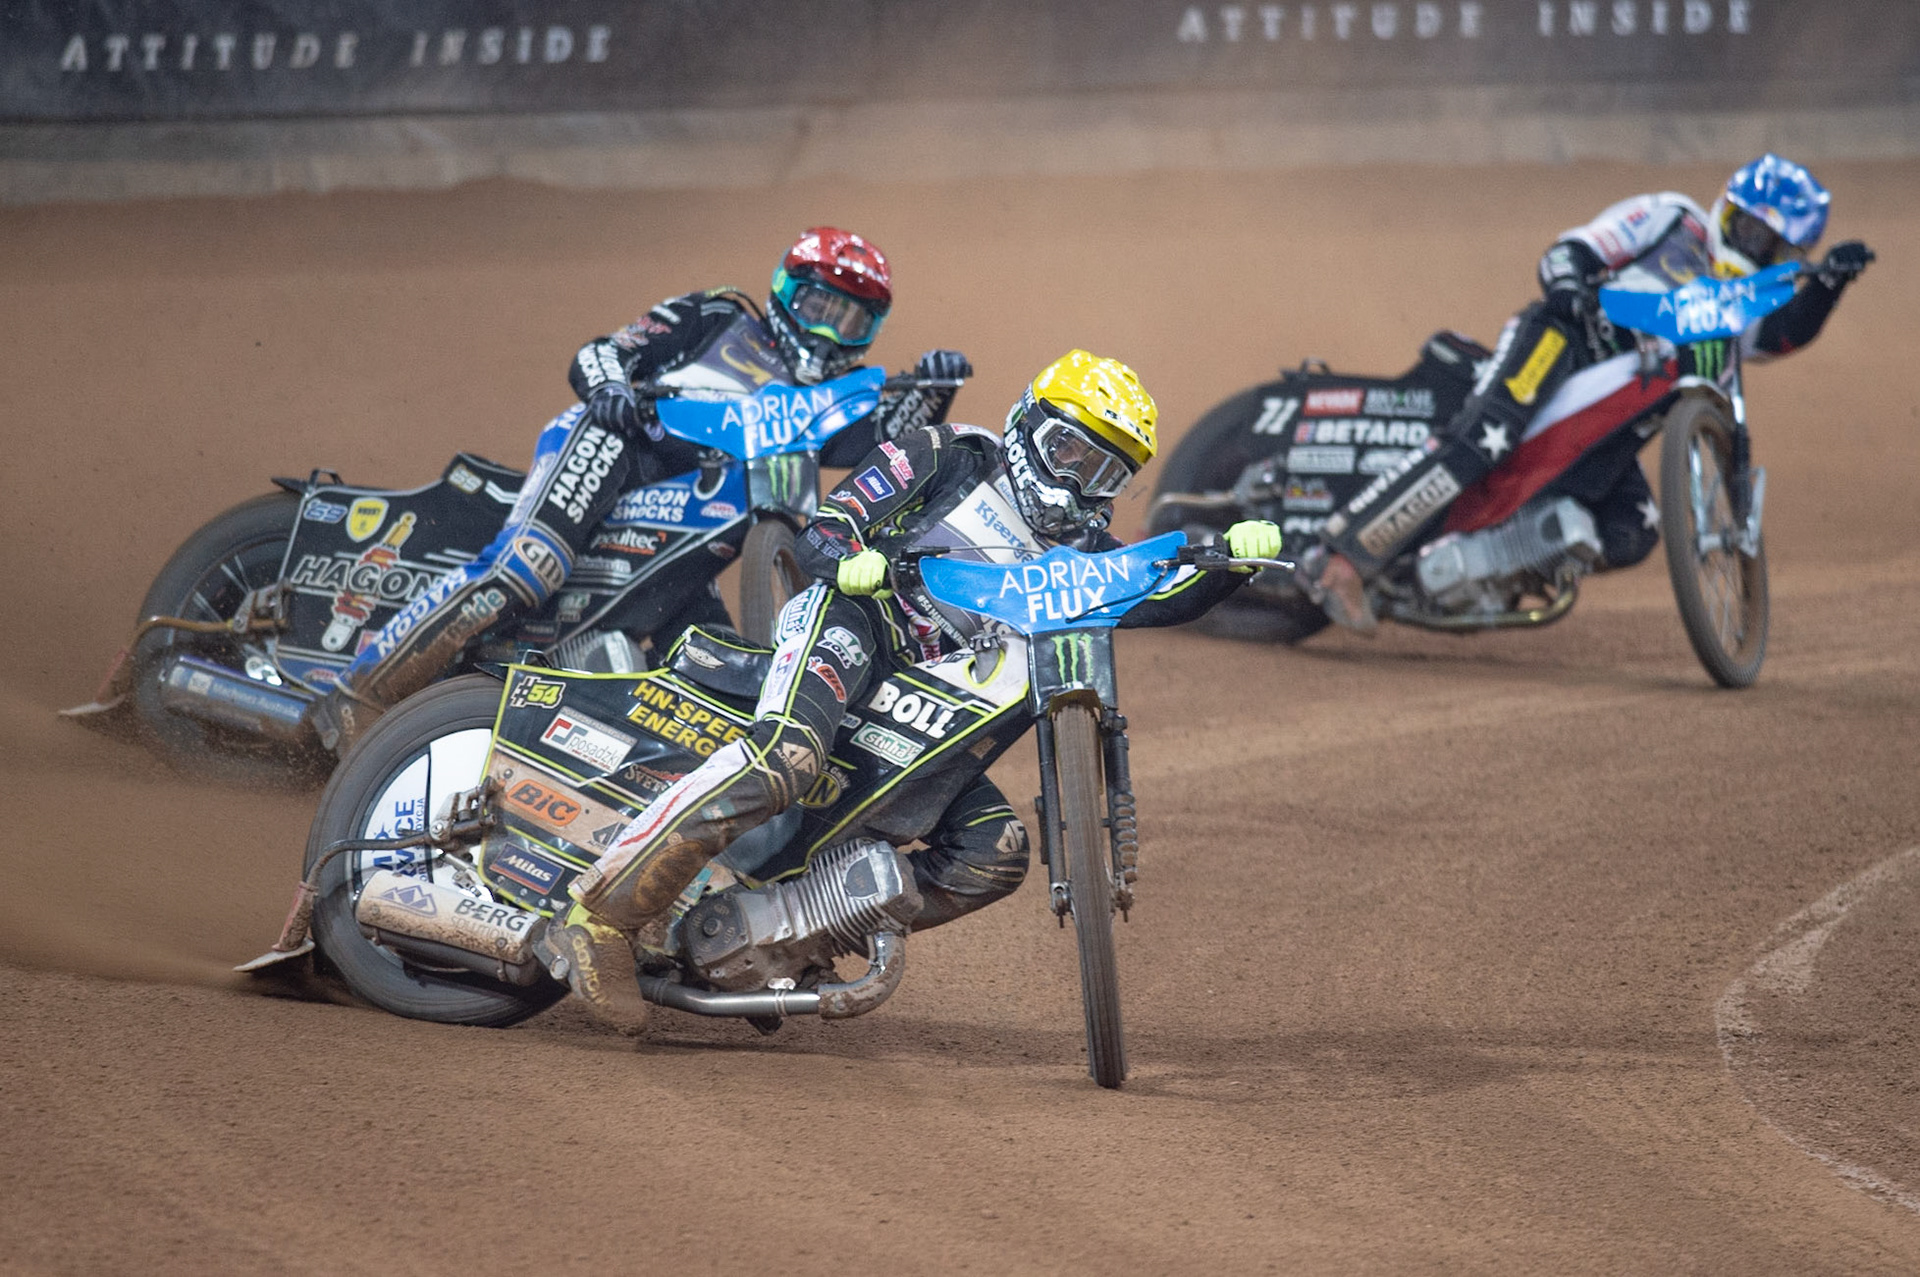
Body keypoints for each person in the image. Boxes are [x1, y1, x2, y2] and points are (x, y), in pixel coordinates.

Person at [537, 350, 1284, 1031]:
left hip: (931, 703)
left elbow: (1158, 596)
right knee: (786, 756)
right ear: (1028, 424)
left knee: (995, 851)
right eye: (1070, 453)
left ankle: (789, 933)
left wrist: (1230, 567)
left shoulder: (1085, 557)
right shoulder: (948, 453)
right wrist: (850, 560)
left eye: (1106, 473)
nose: (1080, 484)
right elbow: (829, 526)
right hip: (856, 624)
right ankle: (598, 916)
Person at [310, 226, 970, 752]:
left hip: (691, 522)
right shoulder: (719, 315)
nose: (829, 328)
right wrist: (612, 392)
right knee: (528, 568)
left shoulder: (813, 405)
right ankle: (355, 695)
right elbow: (606, 349)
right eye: (820, 304)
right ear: (783, 290)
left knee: (706, 671)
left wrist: (931, 395)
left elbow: (876, 453)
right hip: (616, 445)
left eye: (853, 319)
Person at [1300, 153, 1876, 632]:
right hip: (1560, 341)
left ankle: (1478, 572)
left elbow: (1777, 336)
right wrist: (1574, 294)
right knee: (1483, 440)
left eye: (1774, 248)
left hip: (1610, 423)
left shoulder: (1733, 308)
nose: (1755, 250)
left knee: (1635, 527)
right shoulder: (1675, 219)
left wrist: (1829, 287)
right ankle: (1342, 557)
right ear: (1727, 210)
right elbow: (1569, 252)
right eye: (1751, 230)